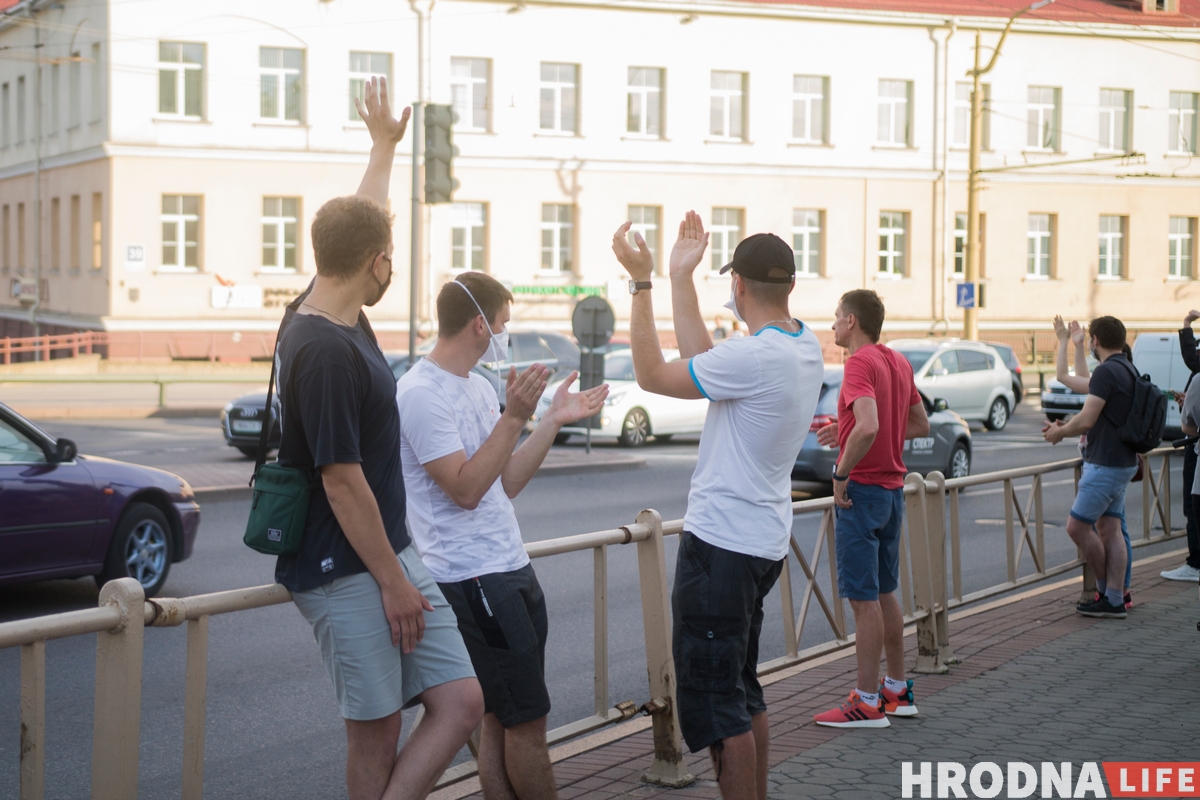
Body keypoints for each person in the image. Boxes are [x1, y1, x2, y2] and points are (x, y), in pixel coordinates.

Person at [274, 77, 483, 800]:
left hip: (385, 556)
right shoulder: (324, 348)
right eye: (388, 252)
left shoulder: (329, 307)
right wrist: (394, 582)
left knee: (460, 702)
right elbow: (341, 478)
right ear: (375, 263)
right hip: (345, 568)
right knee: (376, 734)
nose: (391, 261)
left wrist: (383, 146)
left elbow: (363, 223)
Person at [611, 212, 823, 800]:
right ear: (789, 288)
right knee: (742, 690)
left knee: (717, 703)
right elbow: (707, 362)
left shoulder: (752, 358)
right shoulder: (802, 345)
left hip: (722, 549)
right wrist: (682, 277)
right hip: (760, 543)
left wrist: (642, 283)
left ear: (737, 287)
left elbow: (654, 374)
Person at [395, 271, 608, 800]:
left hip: (508, 567)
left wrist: (550, 420)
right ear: (477, 325)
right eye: (503, 325)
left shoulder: (478, 386)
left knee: (501, 720)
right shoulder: (420, 393)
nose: (504, 335)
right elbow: (464, 491)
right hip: (473, 580)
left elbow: (503, 481)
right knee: (528, 724)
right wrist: (514, 417)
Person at [811, 290, 930, 729]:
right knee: (884, 593)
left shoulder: (858, 363)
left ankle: (864, 703)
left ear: (853, 321)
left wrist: (841, 473)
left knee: (864, 603)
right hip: (892, 492)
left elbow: (871, 425)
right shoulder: (897, 362)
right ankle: (896, 691)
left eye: (837, 317)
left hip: (860, 493)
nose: (833, 324)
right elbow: (916, 423)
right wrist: (844, 431)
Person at [1043, 315, 1138, 619]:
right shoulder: (1125, 369)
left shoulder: (1109, 372)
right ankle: (1113, 597)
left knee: (1077, 527)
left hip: (1105, 464)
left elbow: (1087, 419)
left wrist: (1060, 431)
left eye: (1089, 340)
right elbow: (1088, 390)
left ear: (1096, 340)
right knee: (1111, 530)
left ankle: (1105, 591)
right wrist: (1076, 344)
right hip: (1121, 461)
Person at [1161, 309, 1200, 582]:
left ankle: (1195, 563)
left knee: (1192, 505)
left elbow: (1189, 427)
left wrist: (1189, 405)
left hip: (1196, 448)